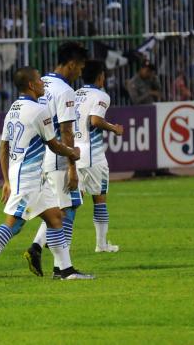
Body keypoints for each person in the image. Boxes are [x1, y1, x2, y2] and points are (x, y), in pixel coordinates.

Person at [0, 67, 94, 284]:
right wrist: (73, 152)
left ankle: (65, 270)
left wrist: (6, 179)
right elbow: (53, 145)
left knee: (55, 218)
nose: (43, 84)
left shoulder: (13, 108)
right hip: (28, 178)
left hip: (29, 176)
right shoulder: (38, 111)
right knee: (10, 224)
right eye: (39, 81)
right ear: (32, 85)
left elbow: (4, 147)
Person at [24, 41, 88, 278]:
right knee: (68, 209)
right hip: (59, 157)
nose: (80, 72)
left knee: (58, 210)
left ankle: (38, 248)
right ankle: (63, 269)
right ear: (71, 64)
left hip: (40, 156)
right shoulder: (65, 91)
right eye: (80, 67)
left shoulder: (43, 84)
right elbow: (67, 132)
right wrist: (73, 167)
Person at [73, 60, 123, 252]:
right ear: (100, 76)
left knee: (69, 202)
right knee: (99, 198)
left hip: (73, 152)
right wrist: (114, 128)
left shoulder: (74, 94)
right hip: (92, 154)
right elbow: (95, 120)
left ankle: (40, 241)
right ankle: (101, 245)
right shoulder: (101, 95)